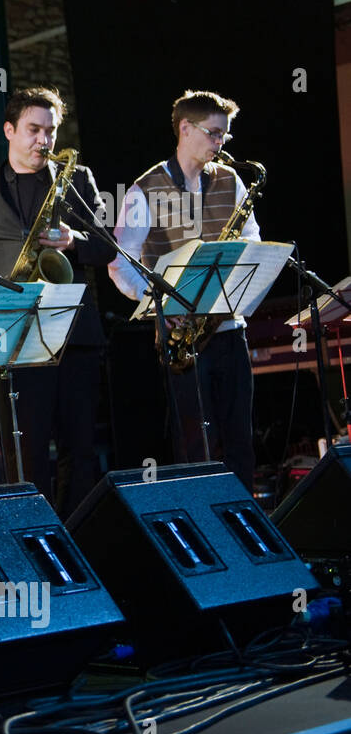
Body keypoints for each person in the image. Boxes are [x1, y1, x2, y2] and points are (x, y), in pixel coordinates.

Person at [0, 86, 110, 517]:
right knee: (27, 450)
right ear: (9, 130)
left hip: (75, 330)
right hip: (14, 333)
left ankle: (79, 541)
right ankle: (34, 539)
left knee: (81, 447)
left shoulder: (77, 178)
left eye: (51, 131)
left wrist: (75, 240)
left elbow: (108, 247)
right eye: (34, 130)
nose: (44, 140)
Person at [108, 90, 258, 488]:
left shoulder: (231, 181)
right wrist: (155, 303)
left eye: (224, 135)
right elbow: (121, 264)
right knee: (197, 447)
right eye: (213, 134)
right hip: (182, 338)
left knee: (241, 441)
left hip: (230, 329)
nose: (220, 143)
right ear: (185, 129)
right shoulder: (144, 189)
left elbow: (253, 243)